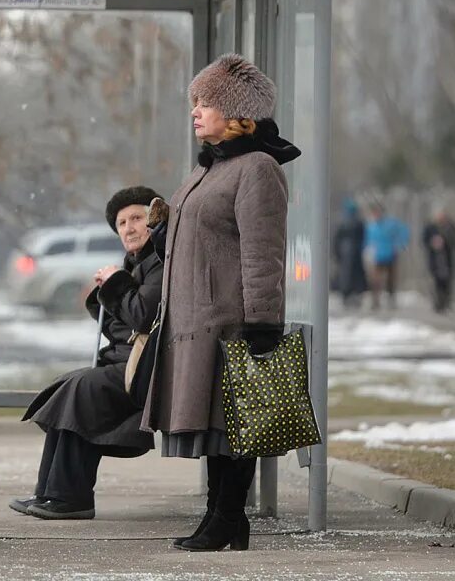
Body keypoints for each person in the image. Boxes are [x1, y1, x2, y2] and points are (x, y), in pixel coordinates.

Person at [140, 53, 300, 553]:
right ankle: (221, 517)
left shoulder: (258, 169)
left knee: (237, 424)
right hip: (195, 319)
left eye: (206, 102)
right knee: (217, 424)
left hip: (231, 319)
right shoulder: (209, 167)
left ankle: (227, 517)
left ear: (237, 114)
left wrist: (262, 322)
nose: (195, 111)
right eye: (195, 102)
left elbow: (262, 252)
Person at [11, 186, 164, 520]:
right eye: (122, 223)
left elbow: (142, 315)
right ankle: (51, 493)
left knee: (82, 390)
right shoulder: (137, 263)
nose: (129, 228)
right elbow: (121, 321)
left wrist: (116, 284)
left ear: (154, 222)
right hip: (128, 363)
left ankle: (72, 499)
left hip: (147, 370)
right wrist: (107, 289)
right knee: (74, 385)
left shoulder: (160, 263)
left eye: (137, 218)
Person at [364, 204, 410, 310]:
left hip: (391, 255)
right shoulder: (371, 227)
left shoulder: (391, 224)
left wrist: (401, 243)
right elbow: (367, 240)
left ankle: (391, 299)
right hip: (377, 257)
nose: (376, 215)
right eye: (374, 213)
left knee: (391, 279)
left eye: (378, 213)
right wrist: (367, 250)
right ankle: (375, 301)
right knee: (375, 280)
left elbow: (404, 230)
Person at [421, 207, 455, 313]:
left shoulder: (451, 227)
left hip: (447, 258)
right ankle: (438, 303)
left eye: (442, 215)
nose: (440, 218)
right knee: (437, 282)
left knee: (448, 281)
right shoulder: (430, 228)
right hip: (435, 259)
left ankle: (446, 302)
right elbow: (424, 241)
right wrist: (432, 243)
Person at [333, 198, 367, 309]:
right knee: (348, 277)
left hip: (351, 256)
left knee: (349, 276)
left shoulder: (352, 223)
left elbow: (336, 240)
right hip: (349, 256)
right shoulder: (346, 223)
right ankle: (349, 295)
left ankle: (351, 295)